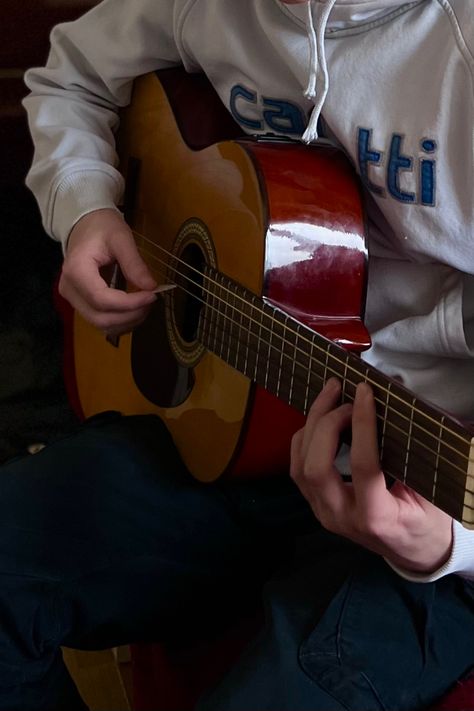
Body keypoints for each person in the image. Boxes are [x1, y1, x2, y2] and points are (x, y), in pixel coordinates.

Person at [6, 0, 472, 708]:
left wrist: (448, 544)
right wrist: (86, 210)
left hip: (427, 500)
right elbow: (71, 76)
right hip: (238, 425)